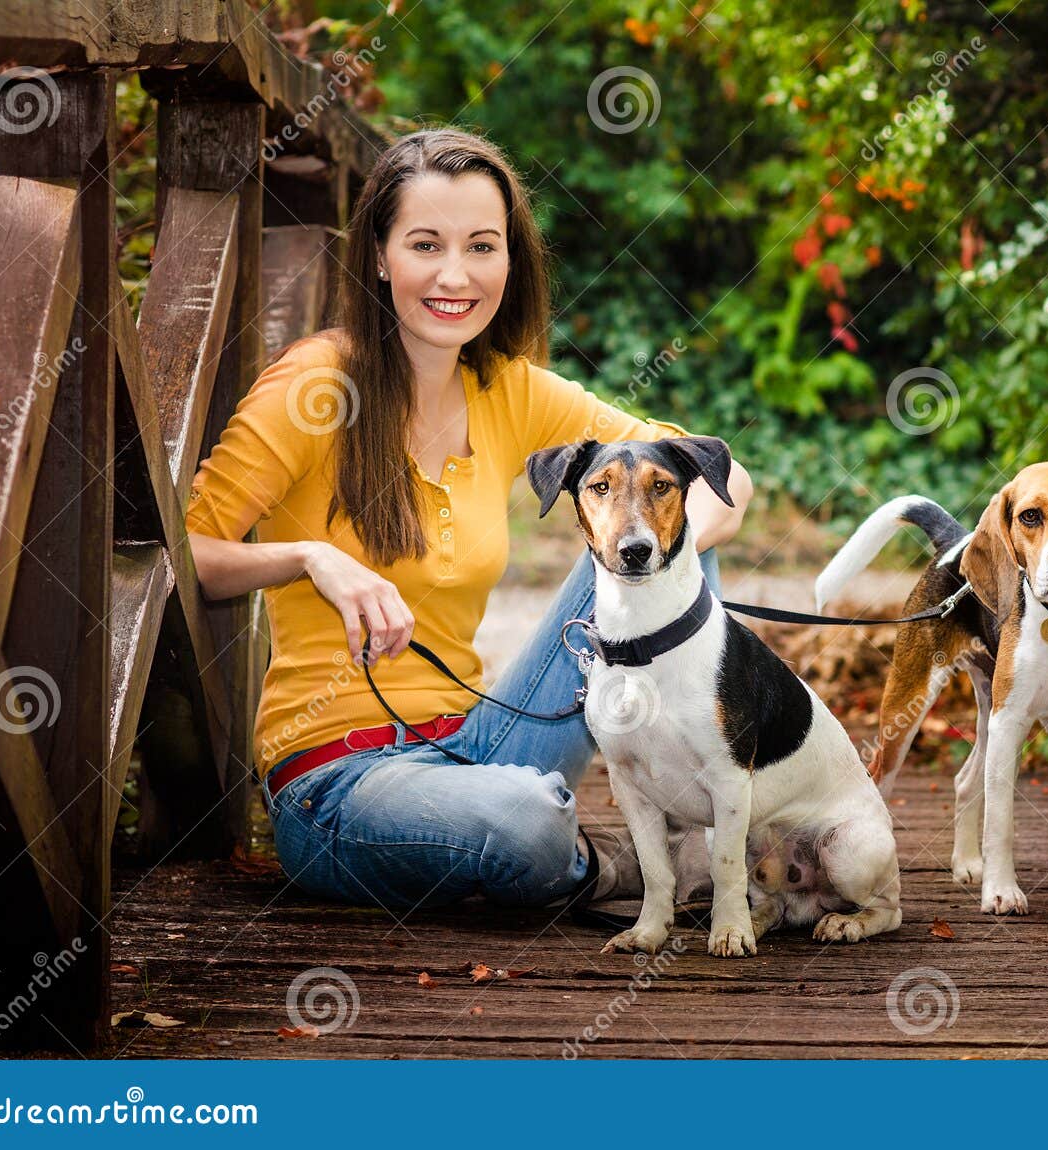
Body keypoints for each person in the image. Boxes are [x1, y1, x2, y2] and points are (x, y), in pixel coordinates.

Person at [185, 128, 751, 915]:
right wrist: (310, 556)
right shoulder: (315, 387)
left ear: (509, 260)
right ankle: (615, 865)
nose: (456, 275)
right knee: (521, 822)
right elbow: (186, 554)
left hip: (482, 741)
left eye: (482, 246)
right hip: (340, 782)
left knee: (668, 524)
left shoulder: (508, 390)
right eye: (425, 244)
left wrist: (647, 556)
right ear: (380, 256)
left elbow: (723, 479)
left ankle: (698, 820)